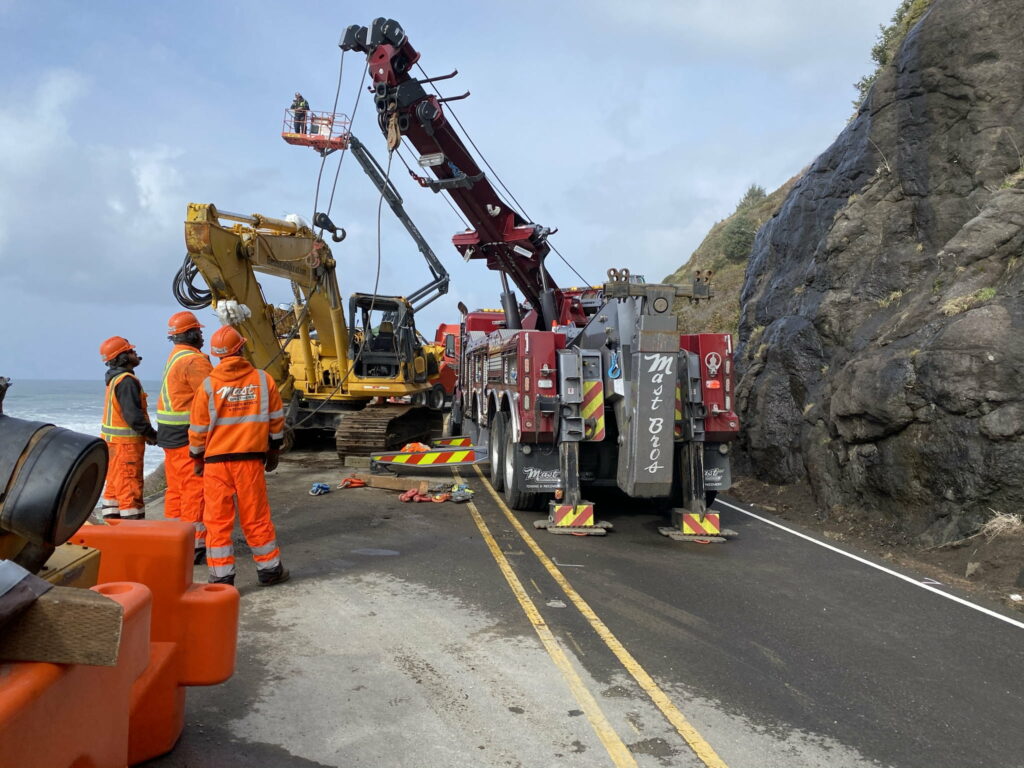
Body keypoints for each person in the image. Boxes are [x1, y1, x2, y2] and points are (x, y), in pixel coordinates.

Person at [188, 326, 289, 587]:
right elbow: (276, 422)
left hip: (216, 465)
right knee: (256, 517)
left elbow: (198, 431)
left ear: (218, 355)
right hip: (250, 462)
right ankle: (269, 570)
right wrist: (274, 451)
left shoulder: (208, 386)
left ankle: (222, 579)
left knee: (217, 522)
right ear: (241, 348)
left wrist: (197, 460)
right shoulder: (263, 380)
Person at [156, 311, 214, 564]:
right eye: (199, 331)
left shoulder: (176, 356)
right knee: (194, 490)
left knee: (176, 489)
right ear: (190, 333)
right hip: (186, 436)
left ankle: (173, 536)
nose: (202, 335)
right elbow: (212, 398)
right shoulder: (194, 361)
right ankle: (195, 544)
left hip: (169, 435)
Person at [98, 336, 158, 520]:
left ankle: (113, 536)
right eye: (131, 351)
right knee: (130, 495)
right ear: (122, 357)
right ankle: (134, 537)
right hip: (126, 449)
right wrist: (152, 435)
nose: (135, 354)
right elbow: (134, 417)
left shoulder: (114, 381)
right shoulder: (126, 381)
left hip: (113, 447)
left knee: (114, 493)